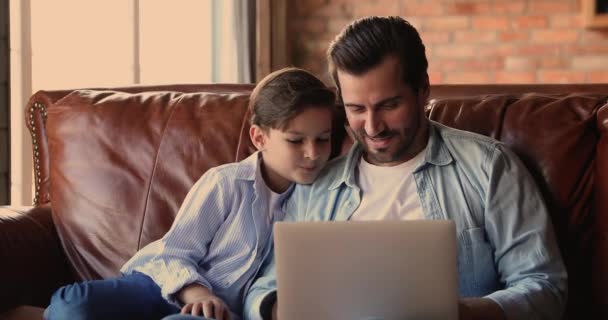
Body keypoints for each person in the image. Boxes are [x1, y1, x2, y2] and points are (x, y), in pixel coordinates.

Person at [244, 16, 567, 320]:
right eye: (356, 108)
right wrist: (279, 308)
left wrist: (464, 314)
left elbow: (545, 287)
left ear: (422, 90)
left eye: (389, 105)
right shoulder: (317, 183)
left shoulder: (489, 167)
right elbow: (262, 288)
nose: (372, 127)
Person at [43, 67, 337, 320]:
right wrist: (195, 291)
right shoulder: (226, 184)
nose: (312, 154)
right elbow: (171, 252)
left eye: (323, 139)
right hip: (161, 286)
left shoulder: (319, 201)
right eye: (296, 141)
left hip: (221, 313)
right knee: (74, 305)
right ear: (260, 137)